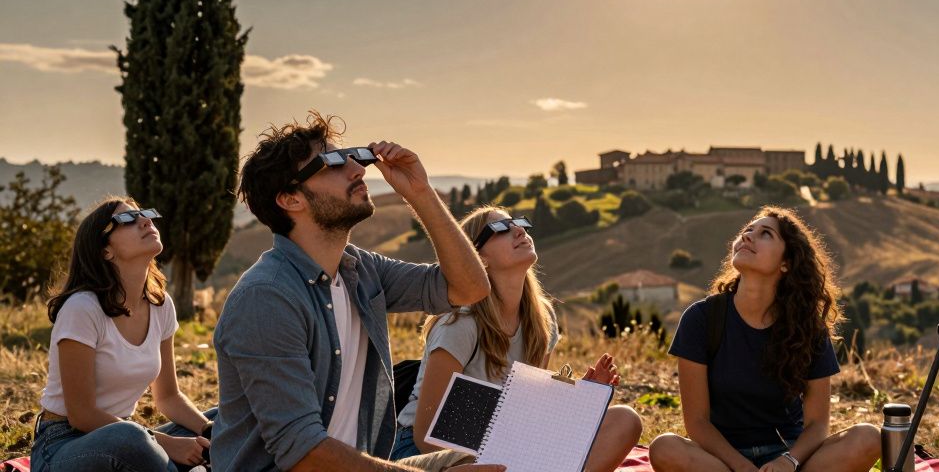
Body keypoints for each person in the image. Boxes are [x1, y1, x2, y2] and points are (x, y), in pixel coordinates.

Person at [212, 112, 500, 472]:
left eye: (353, 157)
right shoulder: (266, 298)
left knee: (496, 460)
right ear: (290, 199)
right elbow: (302, 452)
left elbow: (469, 287)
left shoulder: (358, 270)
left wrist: (420, 192)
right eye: (333, 162)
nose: (358, 170)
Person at [392, 206, 642, 471]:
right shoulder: (460, 323)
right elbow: (425, 434)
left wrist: (580, 400)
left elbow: (528, 412)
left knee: (625, 421)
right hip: (431, 452)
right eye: (501, 229)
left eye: (518, 223)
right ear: (477, 257)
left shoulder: (542, 318)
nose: (519, 231)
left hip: (505, 441)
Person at [649, 206, 880, 472]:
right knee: (664, 448)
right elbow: (698, 423)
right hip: (722, 460)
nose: (747, 237)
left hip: (788, 455)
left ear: (786, 263)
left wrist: (788, 461)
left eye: (765, 234)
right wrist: (742, 467)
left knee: (868, 437)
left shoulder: (807, 327)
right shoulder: (701, 318)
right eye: (747, 230)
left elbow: (817, 425)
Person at [33, 198, 215, 472]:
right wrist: (166, 444)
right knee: (132, 438)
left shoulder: (160, 305)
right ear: (105, 250)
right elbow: (82, 415)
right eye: (127, 220)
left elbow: (168, 397)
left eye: (145, 214)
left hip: (130, 439)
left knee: (229, 419)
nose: (145, 221)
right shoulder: (82, 308)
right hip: (64, 445)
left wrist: (210, 431)